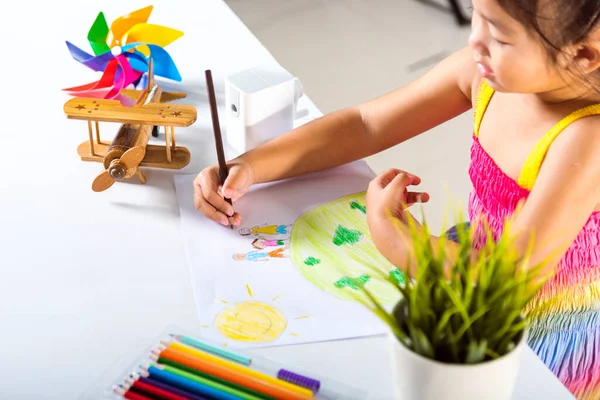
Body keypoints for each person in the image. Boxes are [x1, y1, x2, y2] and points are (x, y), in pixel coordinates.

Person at [193, 0, 600, 397]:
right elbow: (365, 125)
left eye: (500, 37)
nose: (475, 40)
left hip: (543, 325)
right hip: (467, 263)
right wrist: (251, 166)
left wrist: (398, 240)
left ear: (582, 56)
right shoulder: (482, 71)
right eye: (478, 16)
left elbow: (505, 281)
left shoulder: (587, 141)